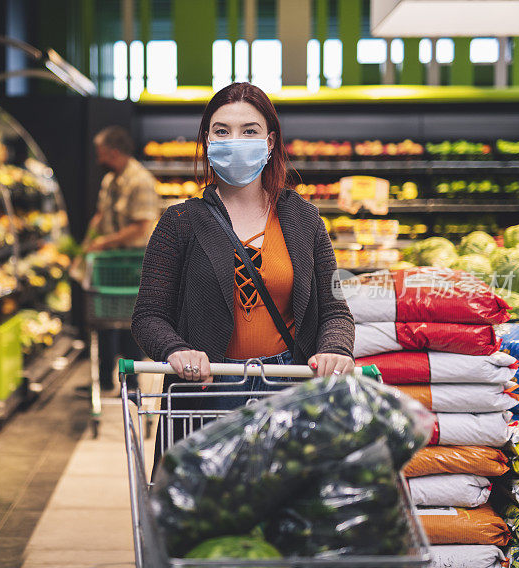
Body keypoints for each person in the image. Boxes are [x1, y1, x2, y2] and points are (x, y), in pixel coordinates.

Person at [131, 83, 355, 448]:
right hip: (206, 391)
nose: (235, 140)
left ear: (269, 143)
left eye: (249, 131)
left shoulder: (304, 219)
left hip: (289, 387)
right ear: (207, 141)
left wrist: (334, 348)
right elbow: (148, 317)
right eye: (222, 131)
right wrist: (176, 349)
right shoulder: (179, 223)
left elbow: (335, 310)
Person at [82, 125, 161, 393]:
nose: (98, 159)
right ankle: (105, 381)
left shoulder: (140, 180)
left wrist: (104, 242)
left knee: (130, 323)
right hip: (110, 261)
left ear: (114, 152)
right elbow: (101, 214)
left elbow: (141, 226)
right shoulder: (110, 181)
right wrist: (88, 243)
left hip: (134, 262)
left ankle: (132, 382)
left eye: (101, 153)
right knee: (103, 319)